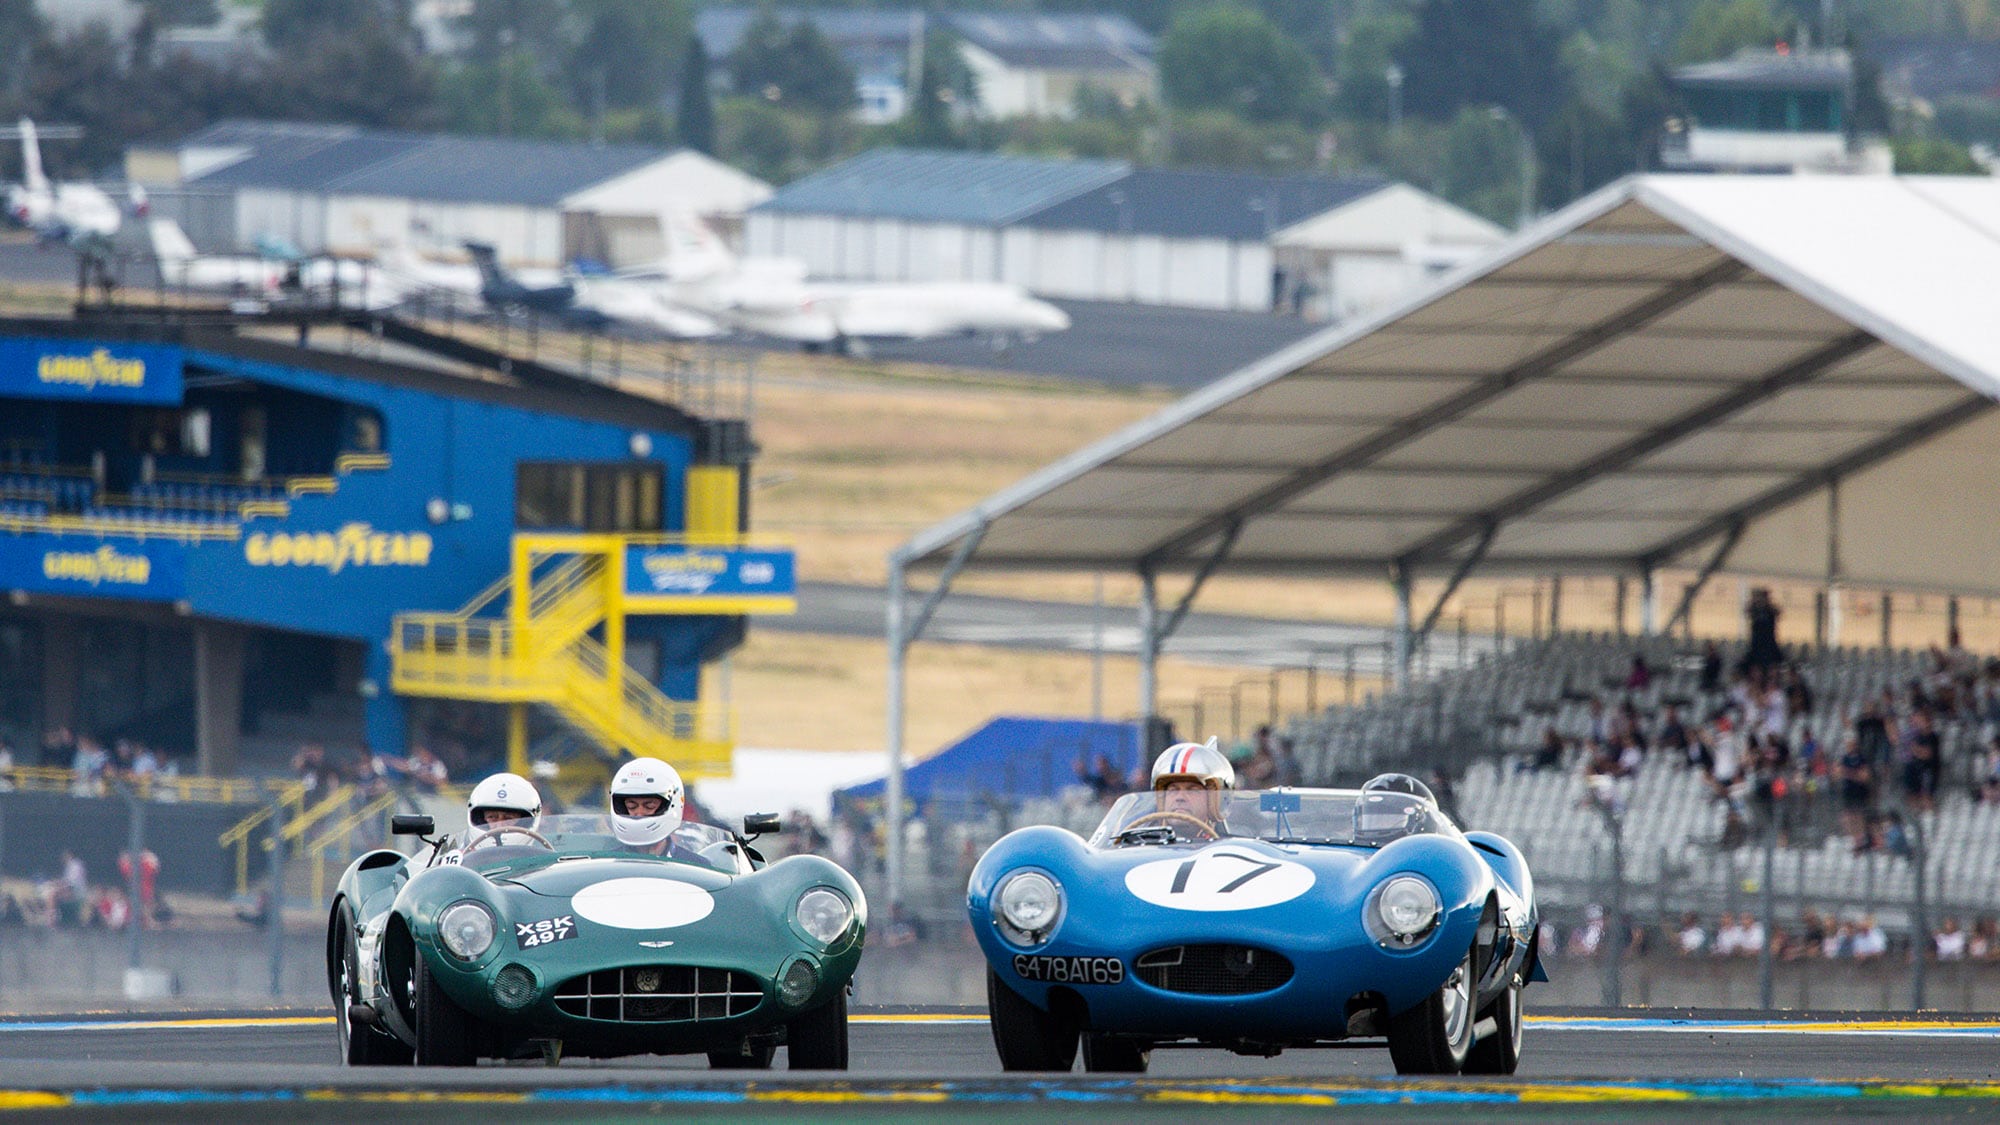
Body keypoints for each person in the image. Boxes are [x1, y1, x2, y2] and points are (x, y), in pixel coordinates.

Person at [1145, 739, 1235, 838]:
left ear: (1216, 800)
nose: (1180, 797)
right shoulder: (1141, 846)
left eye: (1192, 790)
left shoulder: (1229, 849)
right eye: (1173, 790)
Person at [610, 757, 689, 856]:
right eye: (631, 805)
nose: (639, 813)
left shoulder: (696, 867)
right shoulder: (605, 865)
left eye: (649, 806)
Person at [466, 771, 542, 832]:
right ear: (481, 819)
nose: (500, 826)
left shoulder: (544, 850)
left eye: (509, 818)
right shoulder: (463, 851)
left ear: (525, 821)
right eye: (492, 817)